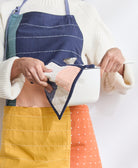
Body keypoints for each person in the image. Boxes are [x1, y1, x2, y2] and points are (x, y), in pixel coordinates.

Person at [0, 0, 134, 167]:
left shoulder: (84, 11)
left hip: (74, 127)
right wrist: (17, 65)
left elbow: (110, 79)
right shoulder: (5, 10)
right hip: (24, 132)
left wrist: (118, 63)